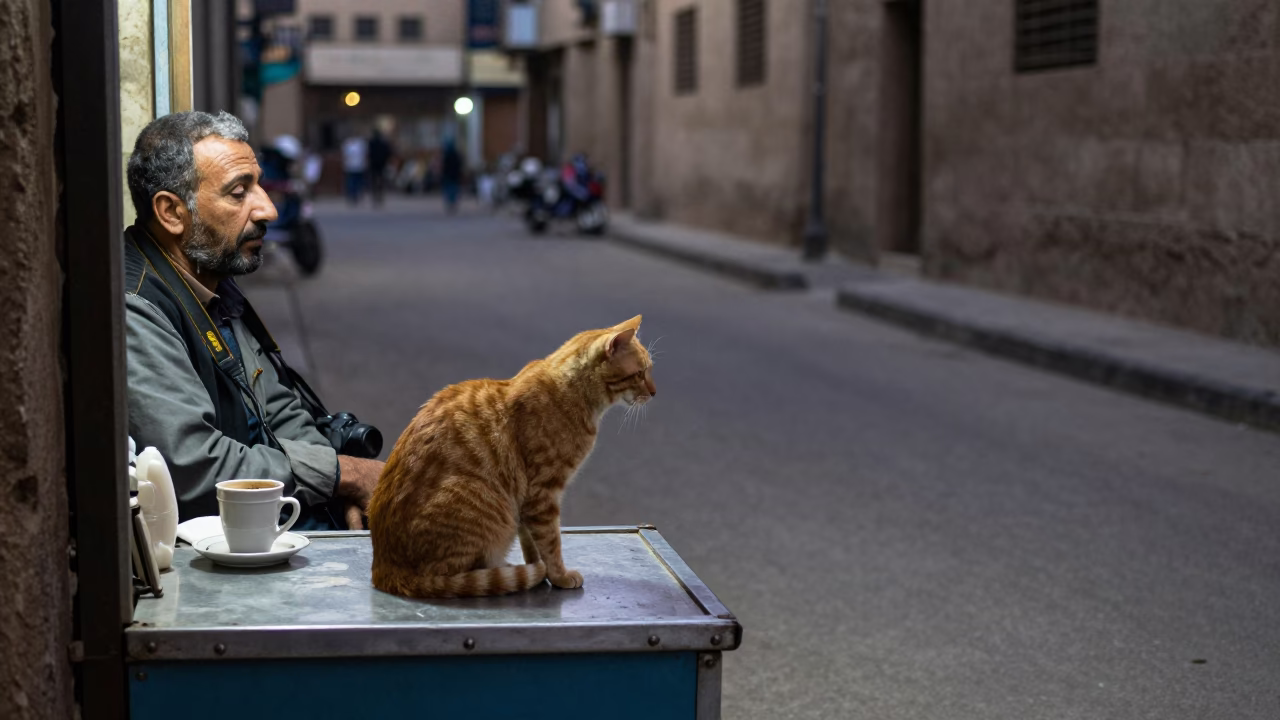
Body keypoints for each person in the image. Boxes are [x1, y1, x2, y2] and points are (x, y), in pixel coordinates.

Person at [123, 111, 383, 529]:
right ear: (172, 212)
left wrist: (340, 492)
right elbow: (196, 465)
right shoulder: (136, 305)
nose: (268, 210)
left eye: (258, 184)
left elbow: (279, 409)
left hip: (266, 519)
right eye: (239, 192)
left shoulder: (209, 279)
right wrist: (345, 475)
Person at [367, 129, 393, 207]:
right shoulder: (383, 143)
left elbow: (368, 153)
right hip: (382, 163)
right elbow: (388, 152)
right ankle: (380, 195)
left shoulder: (371, 143)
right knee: (381, 179)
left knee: (374, 180)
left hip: (373, 163)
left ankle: (375, 195)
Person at [341, 133, 368, 205]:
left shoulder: (360, 144)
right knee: (352, 182)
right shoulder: (348, 144)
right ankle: (353, 196)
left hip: (358, 166)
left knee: (357, 182)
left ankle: (356, 195)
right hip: (351, 166)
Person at [440, 139, 463, 214]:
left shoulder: (447, 155)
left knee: (450, 190)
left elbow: (444, 166)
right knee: (453, 190)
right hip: (454, 176)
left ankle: (450, 204)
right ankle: (452, 203)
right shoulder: (455, 155)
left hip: (449, 176)